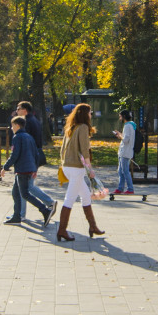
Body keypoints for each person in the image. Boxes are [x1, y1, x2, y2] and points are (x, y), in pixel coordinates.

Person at [56, 103, 104, 242]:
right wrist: (90, 170)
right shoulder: (83, 127)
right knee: (69, 198)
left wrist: (64, 163)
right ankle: (62, 230)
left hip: (68, 166)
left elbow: (62, 149)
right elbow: (84, 150)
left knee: (86, 196)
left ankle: (93, 226)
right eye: (90, 112)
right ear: (84, 114)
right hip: (76, 168)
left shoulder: (71, 127)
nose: (91, 115)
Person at [1, 116, 52, 224]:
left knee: (24, 194)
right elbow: (36, 154)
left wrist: (5, 167)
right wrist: (35, 169)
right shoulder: (29, 136)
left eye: (12, 125)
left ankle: (44, 210)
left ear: (17, 125)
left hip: (22, 169)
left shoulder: (17, 137)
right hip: (29, 168)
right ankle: (17, 216)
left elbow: (14, 155)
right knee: (16, 192)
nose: (11, 128)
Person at [16, 101, 57, 221]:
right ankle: (21, 214)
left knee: (27, 187)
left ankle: (49, 202)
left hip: (29, 158)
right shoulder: (34, 119)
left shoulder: (27, 122)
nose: (17, 111)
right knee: (23, 187)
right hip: (34, 156)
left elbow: (27, 142)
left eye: (18, 108)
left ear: (25, 110)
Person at [112, 110, 137, 195]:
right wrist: (120, 134)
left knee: (125, 171)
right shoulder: (130, 125)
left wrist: (119, 136)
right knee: (120, 171)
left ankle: (130, 189)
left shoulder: (127, 126)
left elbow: (126, 140)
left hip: (125, 151)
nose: (120, 118)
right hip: (124, 151)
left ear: (124, 117)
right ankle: (120, 188)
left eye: (120, 116)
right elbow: (126, 137)